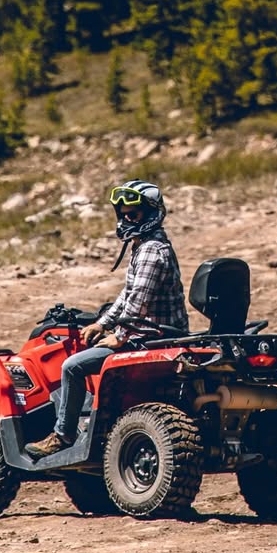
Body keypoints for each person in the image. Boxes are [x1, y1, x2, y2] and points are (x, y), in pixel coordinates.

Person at [26, 179, 189, 458]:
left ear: (150, 213)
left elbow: (138, 304)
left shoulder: (151, 250)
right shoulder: (146, 246)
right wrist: (102, 324)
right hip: (151, 333)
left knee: (72, 366)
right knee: (90, 347)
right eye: (123, 213)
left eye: (133, 213)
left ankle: (63, 436)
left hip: (150, 338)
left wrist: (119, 336)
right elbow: (127, 296)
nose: (127, 218)